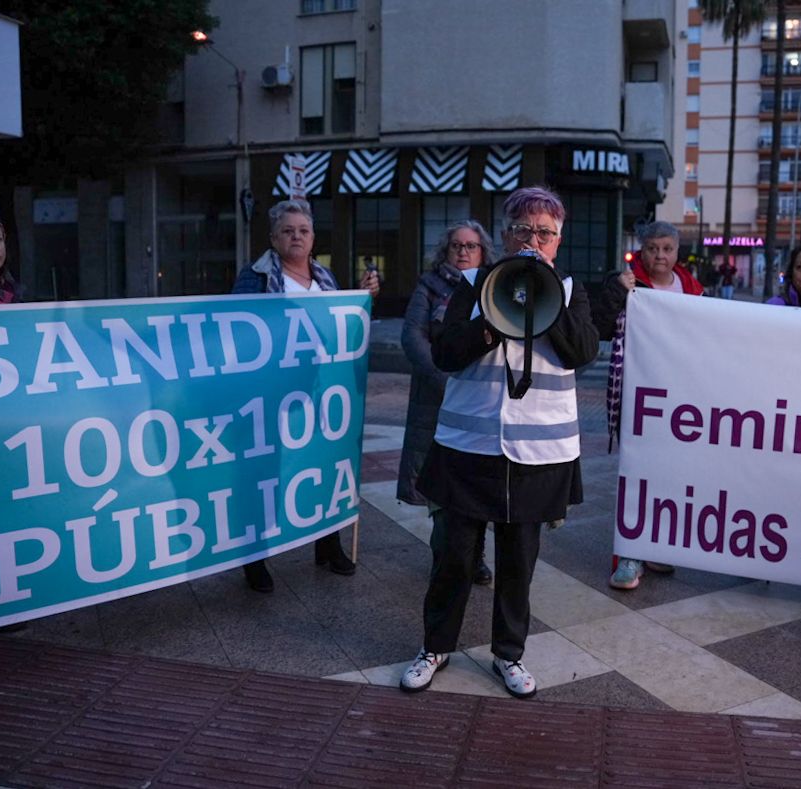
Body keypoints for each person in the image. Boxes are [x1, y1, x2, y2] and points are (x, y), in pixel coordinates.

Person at [398, 186, 598, 699]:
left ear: (558, 240)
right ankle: (435, 646)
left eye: (545, 233)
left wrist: (547, 293)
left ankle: (509, 654)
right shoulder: (472, 285)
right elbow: (444, 353)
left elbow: (580, 351)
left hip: (538, 453)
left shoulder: (570, 289)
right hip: (470, 446)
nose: (534, 241)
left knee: (518, 562)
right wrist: (492, 316)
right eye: (524, 230)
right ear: (506, 236)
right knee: (454, 557)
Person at [232, 199, 380, 592]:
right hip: (271, 397)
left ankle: (327, 545)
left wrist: (362, 301)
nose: (296, 236)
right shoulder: (256, 277)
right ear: (273, 238)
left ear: (313, 238)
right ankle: (255, 559)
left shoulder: (325, 278)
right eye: (287, 230)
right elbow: (237, 333)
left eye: (303, 230)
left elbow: (341, 331)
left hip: (322, 394)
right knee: (265, 474)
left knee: (323, 466)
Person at [592, 221, 702, 590]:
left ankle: (654, 545)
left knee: (669, 475)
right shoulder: (627, 283)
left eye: (667, 248)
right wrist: (614, 294)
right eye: (653, 248)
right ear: (642, 249)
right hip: (636, 395)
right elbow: (601, 326)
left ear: (676, 251)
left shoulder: (693, 289)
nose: (659, 255)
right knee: (636, 474)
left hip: (679, 399)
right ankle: (629, 554)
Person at [397, 220, 497, 585]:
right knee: (440, 485)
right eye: (457, 245)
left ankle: (476, 556)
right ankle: (447, 557)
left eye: (471, 246)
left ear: (483, 252)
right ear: (446, 250)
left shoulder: (493, 286)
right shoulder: (430, 286)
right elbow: (412, 337)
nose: (463, 252)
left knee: (478, 482)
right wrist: (446, 377)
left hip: (481, 403)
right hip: (436, 401)